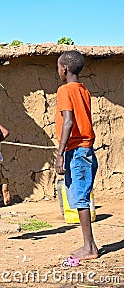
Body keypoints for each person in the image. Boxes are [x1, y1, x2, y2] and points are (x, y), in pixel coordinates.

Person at [55, 50, 98, 261]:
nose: (58, 72)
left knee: (81, 198)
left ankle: (89, 247)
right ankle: (89, 244)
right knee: (81, 196)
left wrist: (60, 153)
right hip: (85, 149)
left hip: (77, 150)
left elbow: (69, 122)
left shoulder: (65, 90)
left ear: (65, 69)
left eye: (58, 68)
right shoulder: (84, 90)